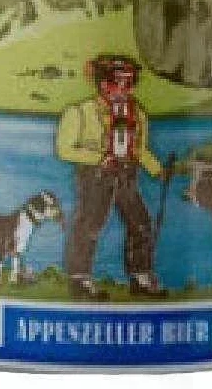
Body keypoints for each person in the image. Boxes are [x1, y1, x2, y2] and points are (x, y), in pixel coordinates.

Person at [56, 55, 168, 300]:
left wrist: (157, 169)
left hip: (127, 175)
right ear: (103, 84)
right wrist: (99, 158)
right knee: (89, 225)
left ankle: (140, 276)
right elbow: (64, 149)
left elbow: (139, 149)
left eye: (130, 83)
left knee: (140, 222)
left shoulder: (137, 114)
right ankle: (80, 279)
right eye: (119, 82)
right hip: (95, 176)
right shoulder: (80, 112)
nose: (126, 89)